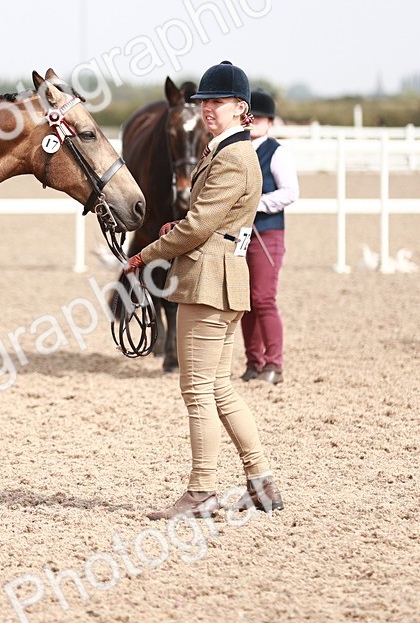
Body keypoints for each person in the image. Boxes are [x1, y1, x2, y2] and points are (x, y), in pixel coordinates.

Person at [124, 61, 283, 519]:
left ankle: (201, 491)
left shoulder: (233, 157)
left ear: (241, 109)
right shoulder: (229, 151)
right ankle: (260, 483)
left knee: (196, 392)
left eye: (217, 103)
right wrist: (188, 228)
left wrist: (145, 254)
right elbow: (208, 222)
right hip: (220, 277)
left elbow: (197, 226)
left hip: (207, 283)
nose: (208, 109)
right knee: (219, 389)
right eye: (205, 102)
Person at [241, 90, 299, 385]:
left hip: (268, 232)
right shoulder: (238, 150)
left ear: (270, 122)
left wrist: (257, 203)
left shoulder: (276, 153)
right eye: (249, 117)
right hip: (241, 234)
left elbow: (290, 192)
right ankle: (253, 362)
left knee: (263, 298)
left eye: (259, 118)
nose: (253, 123)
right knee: (245, 301)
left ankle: (274, 363)